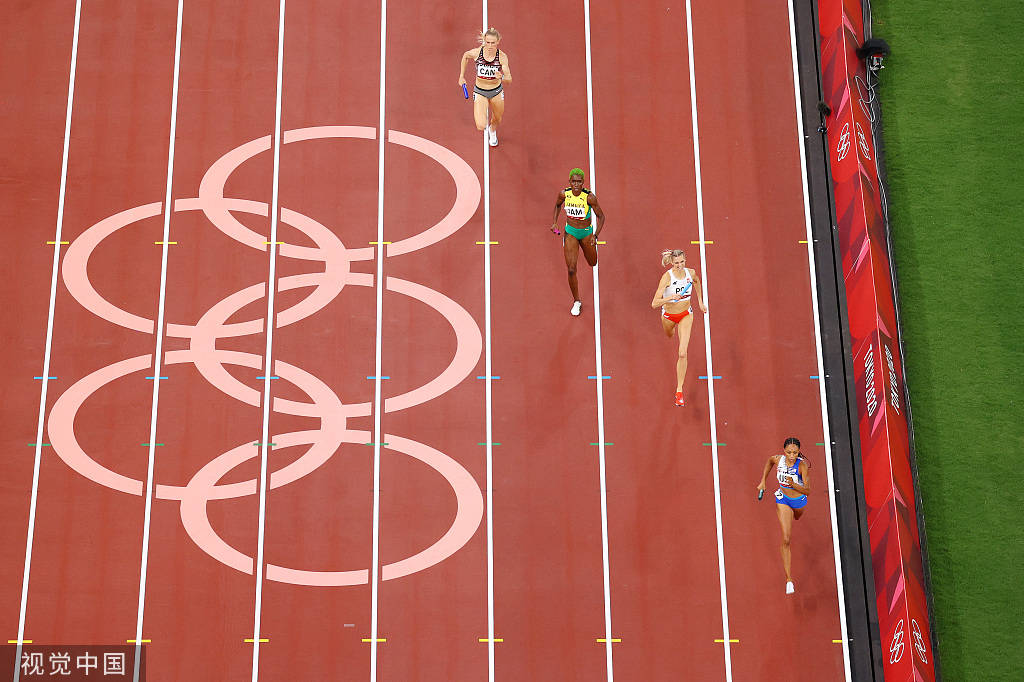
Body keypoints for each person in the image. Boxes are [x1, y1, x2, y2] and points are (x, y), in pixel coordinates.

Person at [756, 437, 811, 594]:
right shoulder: (778, 459)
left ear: (799, 451)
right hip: (783, 500)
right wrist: (763, 481)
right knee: (786, 538)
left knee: (798, 517)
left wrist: (793, 484)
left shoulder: (802, 466)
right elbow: (769, 462)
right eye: (789, 452)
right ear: (784, 451)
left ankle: (794, 514)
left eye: (795, 452)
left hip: (799, 501)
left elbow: (808, 491)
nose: (792, 455)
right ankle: (789, 580)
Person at [651, 249, 706, 406]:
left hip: (685, 315)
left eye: (682, 262)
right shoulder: (667, 277)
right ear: (672, 263)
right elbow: (654, 303)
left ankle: (679, 390)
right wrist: (670, 297)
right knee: (670, 335)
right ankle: (672, 329)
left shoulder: (690, 273)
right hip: (668, 316)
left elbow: (697, 282)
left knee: (682, 353)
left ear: (685, 260)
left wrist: (700, 302)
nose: (680, 265)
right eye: (676, 263)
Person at [550, 168, 606, 316]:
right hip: (571, 233)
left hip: (587, 234)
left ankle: (590, 249)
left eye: (579, 181)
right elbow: (557, 206)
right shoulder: (564, 194)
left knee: (592, 262)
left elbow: (601, 217)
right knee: (571, 269)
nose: (576, 184)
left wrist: (596, 235)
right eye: (573, 181)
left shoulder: (589, 197)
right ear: (569, 181)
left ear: (583, 182)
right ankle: (577, 301)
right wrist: (555, 222)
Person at [457, 28, 512, 147]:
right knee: (481, 125)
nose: (490, 46)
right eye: (488, 42)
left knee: (497, 119)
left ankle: (493, 131)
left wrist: (501, 77)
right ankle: (483, 108)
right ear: (484, 41)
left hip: (496, 91)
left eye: (493, 43)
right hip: (480, 91)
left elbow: (509, 79)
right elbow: (466, 56)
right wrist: (461, 76)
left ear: (498, 42)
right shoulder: (477, 53)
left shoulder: (502, 57)